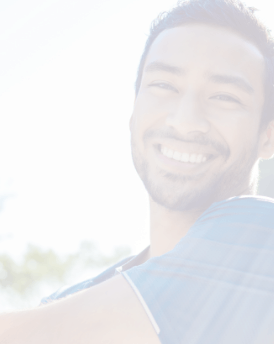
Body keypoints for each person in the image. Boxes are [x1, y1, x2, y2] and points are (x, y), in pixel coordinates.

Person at [1, 0, 274, 343]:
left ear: (268, 135)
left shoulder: (266, 235)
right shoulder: (67, 301)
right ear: (134, 114)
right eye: (164, 86)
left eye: (224, 97)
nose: (185, 120)